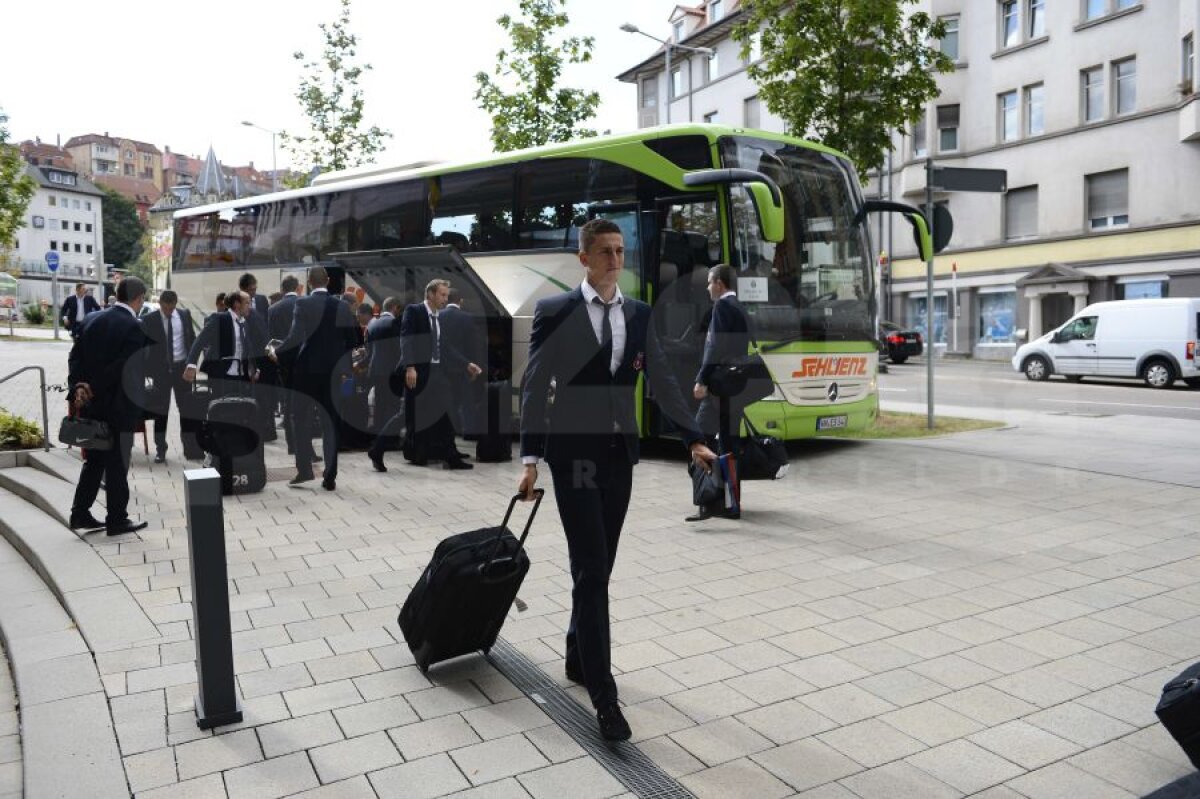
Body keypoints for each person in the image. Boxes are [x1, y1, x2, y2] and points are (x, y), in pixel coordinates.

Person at [517, 218, 716, 741]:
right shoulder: (555, 312)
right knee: (590, 568)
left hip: (618, 456)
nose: (615, 260)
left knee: (599, 566)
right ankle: (605, 698)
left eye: (620, 250)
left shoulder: (640, 313)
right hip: (572, 456)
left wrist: (691, 436)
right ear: (584, 259)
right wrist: (530, 458)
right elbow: (536, 386)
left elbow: (664, 379)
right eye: (604, 252)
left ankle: (576, 655)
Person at [67, 276, 151, 536]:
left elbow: (75, 357)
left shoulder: (92, 318)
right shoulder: (135, 327)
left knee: (93, 461)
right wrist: (93, 385)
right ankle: (117, 518)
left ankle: (80, 513)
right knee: (116, 463)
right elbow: (123, 368)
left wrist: (79, 387)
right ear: (139, 299)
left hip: (92, 404)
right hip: (119, 405)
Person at [276, 265, 358, 491]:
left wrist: (277, 354)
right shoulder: (341, 306)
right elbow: (352, 341)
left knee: (299, 419)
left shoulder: (302, 304)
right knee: (330, 423)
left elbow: (294, 338)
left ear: (309, 282)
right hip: (334, 372)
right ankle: (330, 476)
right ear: (329, 280)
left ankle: (304, 470)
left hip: (307, 372)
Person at [395, 279, 482, 471]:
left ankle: (450, 457)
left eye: (446, 295)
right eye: (442, 294)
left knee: (445, 413)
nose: (445, 298)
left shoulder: (437, 316)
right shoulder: (415, 311)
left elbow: (446, 347)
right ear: (430, 294)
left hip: (437, 373)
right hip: (419, 373)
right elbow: (406, 340)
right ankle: (377, 449)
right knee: (407, 416)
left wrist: (467, 364)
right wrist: (410, 367)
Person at [689, 264, 751, 522]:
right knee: (728, 443)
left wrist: (701, 379)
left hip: (719, 386)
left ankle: (708, 499)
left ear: (720, 284)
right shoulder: (740, 307)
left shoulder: (722, 307)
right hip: (735, 385)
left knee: (697, 439)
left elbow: (713, 347)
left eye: (710, 282)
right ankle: (731, 503)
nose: (707, 287)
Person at [140, 290, 199, 463]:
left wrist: (192, 364)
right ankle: (160, 449)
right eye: (166, 309)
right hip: (161, 372)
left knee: (187, 409)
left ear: (176, 304)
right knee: (161, 411)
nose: (169, 312)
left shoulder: (184, 315)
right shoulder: (149, 320)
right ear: (160, 303)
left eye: (172, 309)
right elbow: (144, 348)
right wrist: (147, 372)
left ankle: (190, 447)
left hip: (182, 370)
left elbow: (192, 340)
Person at [365, 297, 403, 471]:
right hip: (391, 371)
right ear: (395, 308)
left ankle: (377, 436)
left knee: (380, 405)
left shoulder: (373, 323)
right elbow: (398, 349)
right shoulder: (394, 323)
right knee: (393, 406)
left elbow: (369, 349)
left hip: (375, 370)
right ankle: (390, 440)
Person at [268, 276, 303, 454]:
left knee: (288, 403)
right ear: (297, 288)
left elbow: (271, 338)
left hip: (283, 361)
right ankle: (304, 445)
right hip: (304, 360)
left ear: (282, 289)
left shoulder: (273, 309)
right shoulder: (304, 303)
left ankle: (291, 445)